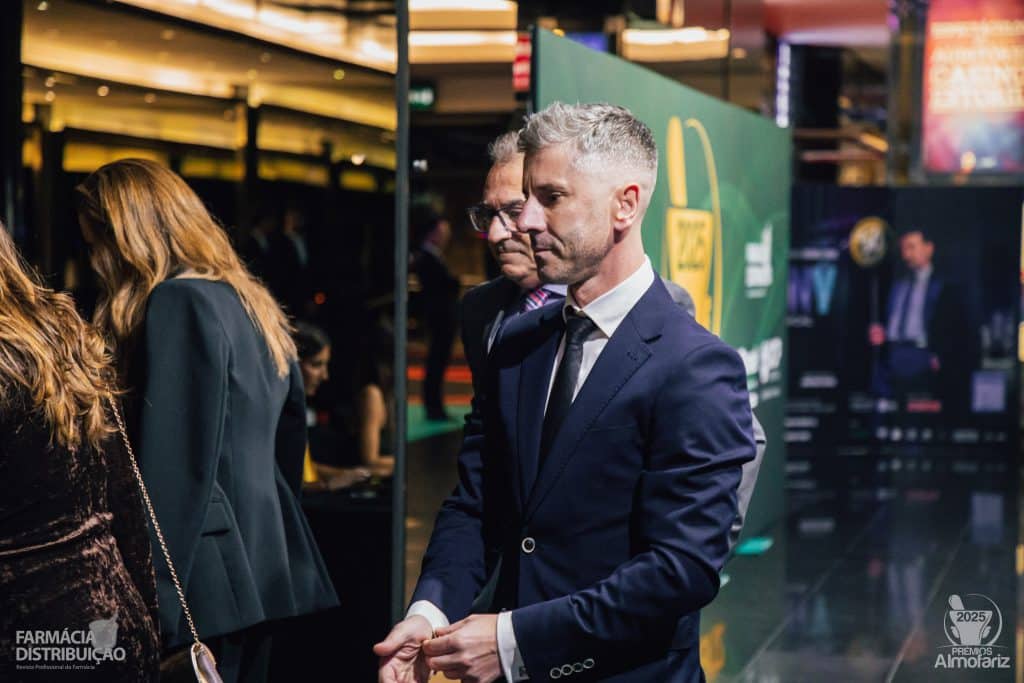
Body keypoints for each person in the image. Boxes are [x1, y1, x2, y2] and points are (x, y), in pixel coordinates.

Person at [377, 103, 755, 682]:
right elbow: (477, 503)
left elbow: (680, 569)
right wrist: (429, 612)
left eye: (550, 198)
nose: (525, 221)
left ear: (625, 204)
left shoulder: (696, 364)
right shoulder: (516, 342)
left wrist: (512, 641)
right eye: (527, 198)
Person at [75, 159, 338, 682]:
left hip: (203, 577)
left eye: (96, 243)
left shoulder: (178, 302)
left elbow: (174, 468)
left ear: (126, 235)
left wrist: (151, 598)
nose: (95, 260)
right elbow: (288, 444)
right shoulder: (249, 299)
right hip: (265, 565)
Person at [0, 223, 159, 680]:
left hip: (26, 636)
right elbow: (124, 497)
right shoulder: (67, 332)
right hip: (113, 618)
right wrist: (148, 621)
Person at [295, 321, 393, 482]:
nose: (325, 376)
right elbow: (371, 460)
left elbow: (304, 470)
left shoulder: (296, 407)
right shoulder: (372, 394)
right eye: (316, 364)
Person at [869, 229, 959, 404]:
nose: (906, 255)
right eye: (903, 249)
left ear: (928, 248)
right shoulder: (897, 285)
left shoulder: (943, 286)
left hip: (922, 357)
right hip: (891, 357)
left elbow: (955, 327)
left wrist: (940, 357)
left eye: (911, 247)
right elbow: (889, 319)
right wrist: (881, 331)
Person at [412, 208, 460, 421]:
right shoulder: (426, 257)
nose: (446, 237)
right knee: (436, 363)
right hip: (438, 318)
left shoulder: (433, 256)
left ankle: (435, 406)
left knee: (438, 363)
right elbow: (439, 288)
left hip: (442, 318)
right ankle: (434, 407)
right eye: (443, 232)